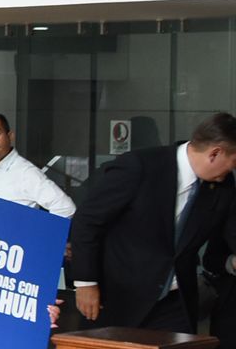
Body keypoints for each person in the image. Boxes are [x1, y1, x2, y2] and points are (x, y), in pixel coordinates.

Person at [69, 112, 236, 334]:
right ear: (215, 153)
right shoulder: (140, 166)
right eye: (233, 163)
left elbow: (230, 230)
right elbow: (88, 221)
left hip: (175, 302)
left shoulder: (222, 186)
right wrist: (86, 282)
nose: (231, 170)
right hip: (120, 297)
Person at [0, 111, 76, 349]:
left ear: (10, 136)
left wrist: (40, 245)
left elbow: (66, 208)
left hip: (20, 270)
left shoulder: (25, 172)